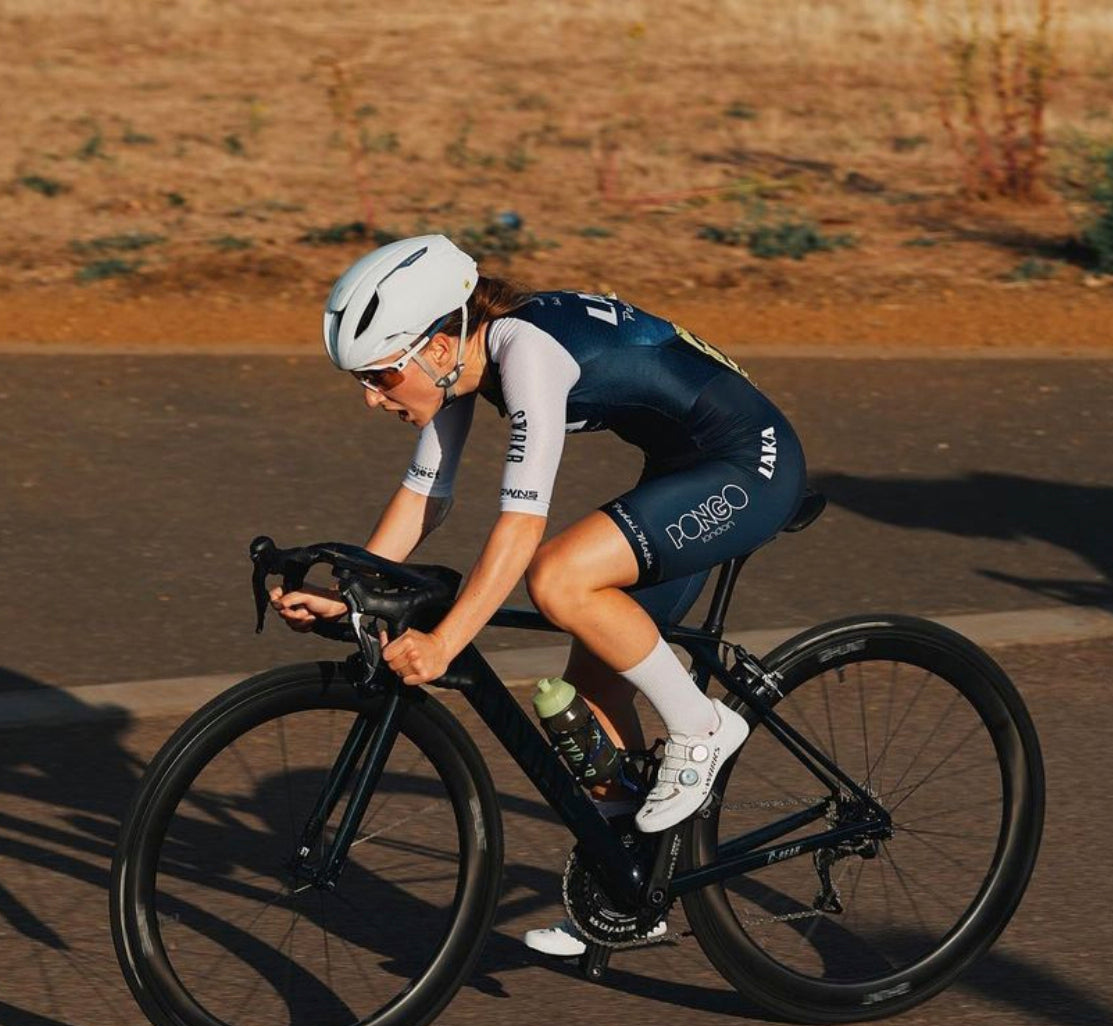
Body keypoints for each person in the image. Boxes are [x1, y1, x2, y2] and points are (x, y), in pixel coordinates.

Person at [270, 233, 807, 956]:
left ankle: (704, 728)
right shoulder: (464, 362)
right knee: (587, 695)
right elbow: (426, 497)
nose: (371, 399)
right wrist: (350, 593)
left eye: (381, 376)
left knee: (558, 576)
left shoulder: (527, 354)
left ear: (433, 347)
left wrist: (446, 641)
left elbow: (522, 528)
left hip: (751, 466)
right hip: (683, 471)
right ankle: (632, 889)